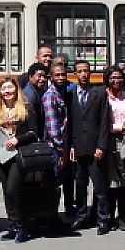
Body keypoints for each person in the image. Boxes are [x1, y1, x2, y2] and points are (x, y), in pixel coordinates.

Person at [0, 76, 39, 243]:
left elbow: (34, 133)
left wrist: (18, 139)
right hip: (2, 156)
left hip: (19, 155)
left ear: (16, 89)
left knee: (13, 190)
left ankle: (23, 227)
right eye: (4, 89)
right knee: (6, 193)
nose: (7, 91)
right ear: (0, 92)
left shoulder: (25, 108)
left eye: (10, 88)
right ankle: (13, 226)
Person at [68, 59, 110, 234]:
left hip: (95, 149)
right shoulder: (70, 95)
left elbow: (104, 122)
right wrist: (70, 146)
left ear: (90, 73)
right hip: (78, 148)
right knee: (80, 185)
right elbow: (69, 122)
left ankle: (102, 220)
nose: (83, 74)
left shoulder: (99, 94)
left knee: (100, 187)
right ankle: (81, 216)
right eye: (80, 71)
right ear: (75, 74)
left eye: (86, 71)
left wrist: (101, 146)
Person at [103, 65, 125, 231]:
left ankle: (124, 216)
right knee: (111, 180)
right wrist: (121, 128)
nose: (116, 80)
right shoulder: (103, 97)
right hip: (109, 141)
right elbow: (102, 122)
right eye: (112, 77)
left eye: (119, 77)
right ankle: (109, 216)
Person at [46, 62, 75, 218]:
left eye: (63, 74)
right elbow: (53, 129)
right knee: (56, 183)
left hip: (62, 147)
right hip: (56, 148)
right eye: (57, 75)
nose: (61, 77)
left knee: (64, 180)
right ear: (51, 77)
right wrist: (62, 150)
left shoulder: (60, 93)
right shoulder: (51, 96)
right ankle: (52, 218)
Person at [21, 62, 49, 138]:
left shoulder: (38, 91)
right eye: (39, 76)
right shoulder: (29, 95)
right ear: (30, 77)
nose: (42, 79)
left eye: (44, 76)